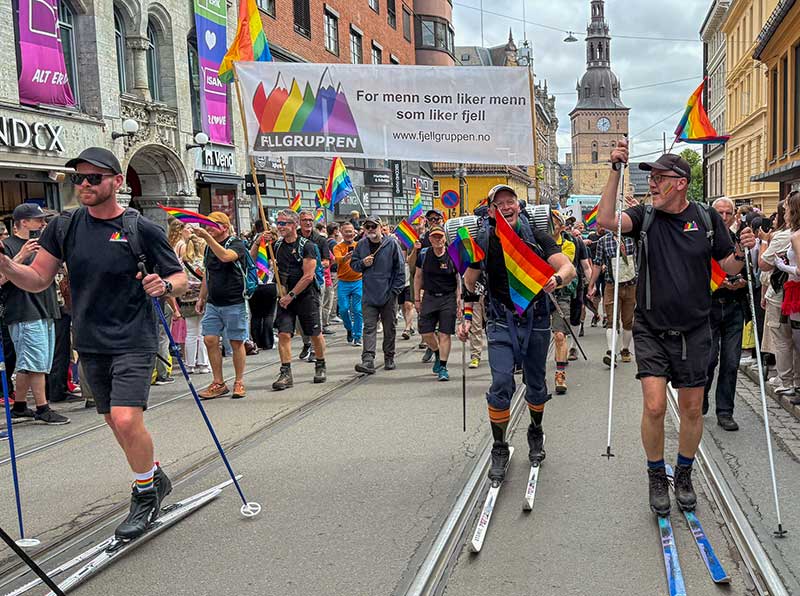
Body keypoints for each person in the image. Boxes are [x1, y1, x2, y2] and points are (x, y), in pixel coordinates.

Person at [0, 147, 187, 539]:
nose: (84, 184)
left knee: (126, 417)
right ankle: (154, 476)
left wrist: (165, 285)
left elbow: (180, 277)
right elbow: (37, 278)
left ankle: (144, 493)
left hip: (133, 337)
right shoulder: (64, 227)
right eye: (78, 178)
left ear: (117, 182)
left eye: (94, 178)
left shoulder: (141, 228)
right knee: (113, 420)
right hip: (89, 339)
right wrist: (5, 265)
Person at [596, 142, 755, 515]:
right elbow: (605, 219)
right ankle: (656, 474)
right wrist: (615, 170)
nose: (652, 183)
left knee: (692, 409)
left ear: (681, 182)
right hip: (651, 327)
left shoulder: (706, 218)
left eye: (659, 177)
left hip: (696, 328)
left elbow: (730, 267)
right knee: (654, 406)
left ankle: (683, 474)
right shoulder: (645, 217)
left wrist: (742, 251)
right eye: (650, 177)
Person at [458, 185, 574, 481]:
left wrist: (557, 278)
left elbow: (567, 267)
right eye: (500, 204)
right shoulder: (483, 240)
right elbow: (469, 282)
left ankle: (535, 431)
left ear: (518, 207)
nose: (506, 207)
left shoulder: (536, 236)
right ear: (492, 211)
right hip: (500, 321)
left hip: (536, 320)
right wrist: (466, 318)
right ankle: (499, 447)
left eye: (510, 201)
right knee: (500, 384)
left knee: (536, 385)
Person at [1, 204, 69, 424]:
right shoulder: (8, 246)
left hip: (45, 307)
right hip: (24, 310)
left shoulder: (44, 245)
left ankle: (20, 405)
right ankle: (42, 407)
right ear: (23, 222)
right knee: (36, 362)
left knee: (30, 361)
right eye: (37, 220)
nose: (42, 224)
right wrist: (21, 256)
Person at [194, 212, 249, 400]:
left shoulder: (236, 243)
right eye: (207, 224)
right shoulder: (209, 248)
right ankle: (218, 382)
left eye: (212, 224)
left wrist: (207, 238)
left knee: (236, 342)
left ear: (224, 227)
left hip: (234, 301)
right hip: (213, 302)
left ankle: (239, 381)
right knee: (209, 339)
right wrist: (201, 297)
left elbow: (226, 257)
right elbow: (207, 273)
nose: (208, 227)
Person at [703, 197, 747, 431]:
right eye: (719, 213)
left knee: (731, 362)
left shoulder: (739, 240)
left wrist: (743, 282)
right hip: (709, 307)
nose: (724, 217)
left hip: (733, 307)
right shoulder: (704, 239)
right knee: (709, 360)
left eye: (728, 213)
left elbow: (751, 269)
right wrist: (718, 283)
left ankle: (725, 411)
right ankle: (701, 396)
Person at [271, 209, 327, 390]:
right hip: (285, 296)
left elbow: (308, 276)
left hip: (306, 296)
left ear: (294, 224)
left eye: (284, 223)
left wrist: (291, 295)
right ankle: (285, 373)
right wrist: (258, 242)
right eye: (278, 223)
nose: (280, 227)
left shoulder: (307, 246)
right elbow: (254, 257)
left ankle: (320, 364)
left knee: (314, 333)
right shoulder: (276, 246)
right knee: (283, 334)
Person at [351, 215, 404, 374]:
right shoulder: (361, 245)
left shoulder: (392, 243)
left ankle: (389, 357)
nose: (370, 229)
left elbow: (400, 269)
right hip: (369, 294)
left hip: (388, 294)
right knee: (369, 327)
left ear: (380, 227)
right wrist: (362, 263)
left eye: (373, 226)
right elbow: (354, 264)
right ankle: (368, 360)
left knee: (389, 327)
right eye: (367, 227)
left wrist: (394, 291)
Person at [759, 196, 800, 398]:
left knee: (785, 339)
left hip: (787, 292)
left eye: (786, 209)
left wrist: (780, 264)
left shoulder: (790, 236)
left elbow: (763, 264)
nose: (783, 214)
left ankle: (788, 381)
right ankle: (795, 382)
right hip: (790, 291)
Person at [414, 225, 460, 381]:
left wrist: (460, 299)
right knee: (425, 332)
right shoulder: (424, 254)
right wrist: (417, 299)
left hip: (448, 298)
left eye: (440, 236)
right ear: (430, 239)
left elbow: (459, 279)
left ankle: (443, 367)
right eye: (435, 236)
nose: (438, 239)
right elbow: (417, 277)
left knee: (444, 333)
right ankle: (437, 352)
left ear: (445, 238)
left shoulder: (453, 254)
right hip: (430, 297)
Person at [588, 223, 638, 367]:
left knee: (628, 320)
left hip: (631, 285)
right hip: (611, 285)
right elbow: (597, 264)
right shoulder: (603, 241)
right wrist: (591, 284)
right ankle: (611, 352)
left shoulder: (633, 238)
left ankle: (625, 349)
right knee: (611, 319)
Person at [548, 210, 577, 395]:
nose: (551, 225)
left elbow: (562, 268)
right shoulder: (536, 242)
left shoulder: (568, 245)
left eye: (555, 222)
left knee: (560, 335)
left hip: (560, 294)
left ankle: (560, 374)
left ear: (561, 226)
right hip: (539, 295)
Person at [297, 210, 331, 360]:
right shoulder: (295, 237)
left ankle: (314, 349)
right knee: (299, 318)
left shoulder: (320, 239)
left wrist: (312, 264)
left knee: (315, 315)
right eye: (304, 220)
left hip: (316, 281)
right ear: (299, 222)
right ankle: (306, 343)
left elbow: (326, 261)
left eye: (310, 220)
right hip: (297, 282)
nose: (308, 222)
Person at [332, 222, 362, 345]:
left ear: (354, 232)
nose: (349, 234)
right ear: (341, 232)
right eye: (346, 231)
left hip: (358, 281)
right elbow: (337, 259)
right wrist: (346, 257)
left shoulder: (359, 245)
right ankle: (349, 328)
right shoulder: (337, 247)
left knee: (357, 310)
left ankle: (358, 336)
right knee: (343, 309)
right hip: (343, 282)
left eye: (351, 231)